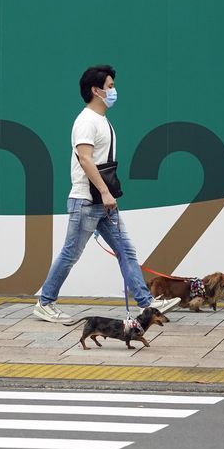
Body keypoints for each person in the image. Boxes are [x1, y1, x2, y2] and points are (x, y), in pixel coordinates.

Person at [32, 65, 181, 322]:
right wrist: (104, 192)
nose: (114, 91)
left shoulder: (101, 121)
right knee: (71, 253)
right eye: (110, 87)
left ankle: (147, 304)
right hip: (87, 200)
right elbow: (86, 160)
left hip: (103, 201)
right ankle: (45, 302)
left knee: (126, 251)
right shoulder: (86, 121)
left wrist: (106, 195)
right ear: (95, 90)